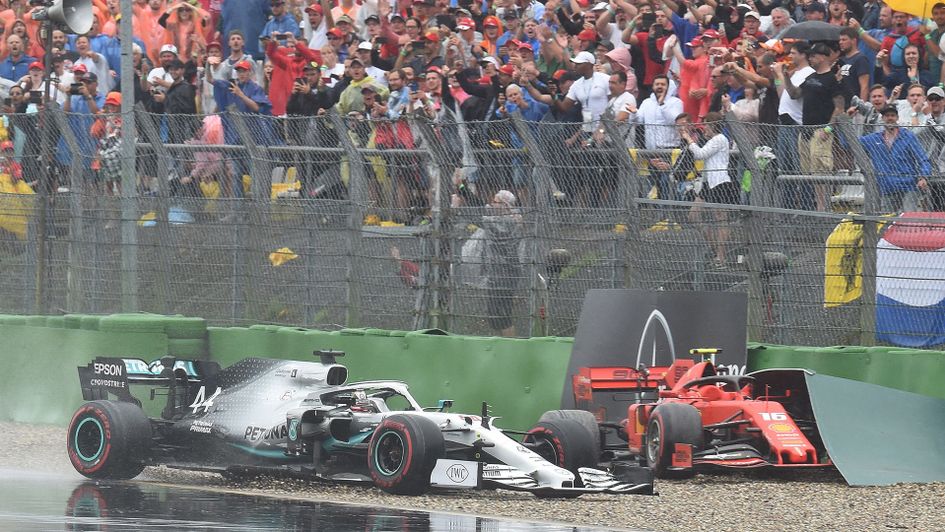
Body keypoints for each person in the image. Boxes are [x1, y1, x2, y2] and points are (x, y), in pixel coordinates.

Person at [681, 111, 737, 268]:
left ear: (712, 125)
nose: (703, 128)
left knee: (721, 220)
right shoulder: (713, 140)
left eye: (705, 125)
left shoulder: (720, 139)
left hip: (719, 182)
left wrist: (688, 139)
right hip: (708, 183)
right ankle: (715, 247)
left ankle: (721, 257)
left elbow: (700, 154)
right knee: (693, 216)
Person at [860, 104, 931, 212]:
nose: (890, 118)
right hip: (887, 188)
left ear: (897, 118)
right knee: (887, 223)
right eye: (887, 115)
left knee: (908, 221)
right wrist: (843, 121)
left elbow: (923, 159)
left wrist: (924, 176)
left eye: (892, 115)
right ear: (882, 118)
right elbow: (849, 143)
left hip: (909, 187)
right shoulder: (873, 139)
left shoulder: (908, 136)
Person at [482, 189, 523, 337]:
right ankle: (500, 343)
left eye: (496, 202)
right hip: (498, 272)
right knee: (494, 314)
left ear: (505, 205)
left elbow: (483, 219)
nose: (491, 205)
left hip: (505, 273)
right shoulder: (506, 218)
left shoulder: (508, 221)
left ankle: (510, 347)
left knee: (502, 313)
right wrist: (462, 186)